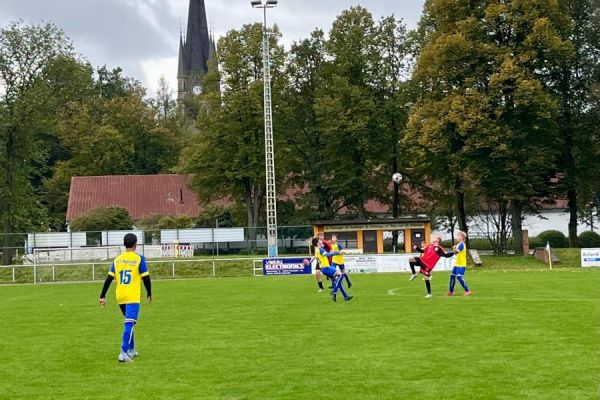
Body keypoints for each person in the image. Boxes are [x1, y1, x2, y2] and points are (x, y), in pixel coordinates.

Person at [99, 233, 152, 363]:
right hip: (132, 296)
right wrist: (149, 293)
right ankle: (123, 352)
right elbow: (146, 278)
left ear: (124, 244)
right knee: (129, 322)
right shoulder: (139, 258)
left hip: (121, 296)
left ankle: (131, 350)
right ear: (135, 244)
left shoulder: (117, 259)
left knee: (130, 322)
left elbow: (109, 278)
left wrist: (102, 295)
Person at [312, 237, 352, 302]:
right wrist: (338, 253)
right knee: (341, 274)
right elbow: (327, 255)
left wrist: (312, 259)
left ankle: (346, 296)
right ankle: (334, 291)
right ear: (317, 243)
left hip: (325, 268)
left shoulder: (316, 249)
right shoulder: (320, 249)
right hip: (326, 268)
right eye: (320, 240)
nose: (321, 241)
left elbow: (318, 257)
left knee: (338, 282)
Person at [448, 230, 471, 296]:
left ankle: (467, 290)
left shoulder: (462, 244)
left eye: (458, 235)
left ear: (461, 237)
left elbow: (456, 252)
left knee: (459, 277)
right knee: (452, 276)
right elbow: (456, 253)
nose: (456, 237)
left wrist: (449, 253)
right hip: (457, 264)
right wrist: (454, 249)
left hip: (461, 264)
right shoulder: (458, 244)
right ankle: (451, 291)